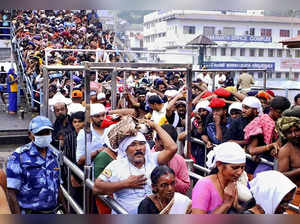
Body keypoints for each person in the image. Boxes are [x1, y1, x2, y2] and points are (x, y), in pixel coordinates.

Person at [93, 120, 177, 214]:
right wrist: (125, 184)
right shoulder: (116, 165)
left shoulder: (152, 159)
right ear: (125, 148)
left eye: (142, 143)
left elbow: (172, 148)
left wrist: (155, 126)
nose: (138, 148)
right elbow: (96, 188)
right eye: (133, 144)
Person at [6, 116, 65, 214]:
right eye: (40, 133)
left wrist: (65, 209)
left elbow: (57, 185)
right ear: (30, 135)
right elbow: (11, 192)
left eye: (47, 132)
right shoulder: (18, 156)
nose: (44, 136)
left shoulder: (53, 155)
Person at [192, 142, 246, 214]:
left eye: (242, 167)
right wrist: (226, 204)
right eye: (235, 168)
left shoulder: (240, 182)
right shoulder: (204, 185)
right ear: (219, 165)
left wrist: (238, 207)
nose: (240, 172)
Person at [244, 96, 291, 176]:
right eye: (279, 112)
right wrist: (270, 146)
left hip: (280, 160)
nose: (281, 115)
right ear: (271, 109)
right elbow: (252, 150)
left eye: (284, 113)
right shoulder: (260, 123)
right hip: (263, 161)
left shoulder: (285, 124)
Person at [153, 124, 190, 194]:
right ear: (156, 141)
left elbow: (185, 187)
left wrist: (171, 178)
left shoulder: (179, 160)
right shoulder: (147, 158)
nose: (166, 152)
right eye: (162, 146)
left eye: (169, 149)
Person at [276, 112, 300, 213]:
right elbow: (281, 176)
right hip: (296, 195)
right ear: (284, 134)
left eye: (297, 130)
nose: (294, 135)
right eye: (289, 132)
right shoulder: (285, 150)